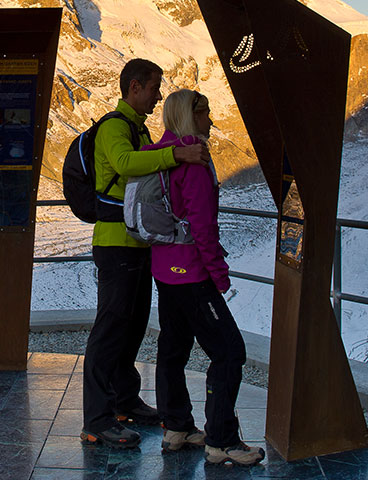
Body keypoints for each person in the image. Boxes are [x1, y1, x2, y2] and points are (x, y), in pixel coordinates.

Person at [81, 59, 209, 448]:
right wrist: (176, 156)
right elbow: (125, 164)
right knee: (110, 328)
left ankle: (124, 402)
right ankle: (97, 419)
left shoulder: (137, 128)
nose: (157, 97)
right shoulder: (115, 128)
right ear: (134, 87)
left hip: (137, 242)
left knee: (133, 325)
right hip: (115, 243)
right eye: (154, 88)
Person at [148, 89, 265, 465]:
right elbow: (203, 226)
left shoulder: (158, 154)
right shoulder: (194, 163)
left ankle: (177, 426)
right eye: (205, 114)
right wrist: (219, 275)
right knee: (229, 353)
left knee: (173, 349)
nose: (211, 121)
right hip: (193, 274)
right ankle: (222, 441)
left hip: (165, 270)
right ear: (190, 116)